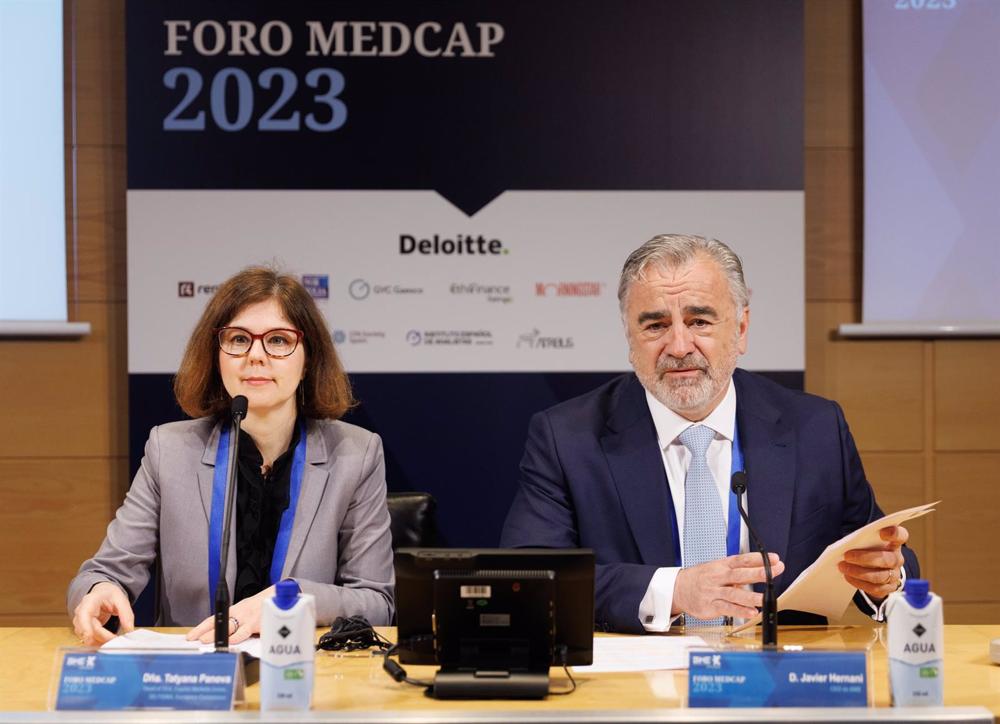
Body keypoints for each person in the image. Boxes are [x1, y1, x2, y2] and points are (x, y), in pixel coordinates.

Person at [500, 234, 919, 633]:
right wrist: (675, 592)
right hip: (636, 687)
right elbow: (529, 578)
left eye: (699, 321)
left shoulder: (814, 428)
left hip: (777, 682)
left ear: (740, 330)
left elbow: (881, 552)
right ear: (629, 337)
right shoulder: (567, 437)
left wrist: (885, 577)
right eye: (655, 326)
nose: (679, 346)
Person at [68, 267, 394, 645]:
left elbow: (378, 601)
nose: (256, 355)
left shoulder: (355, 455)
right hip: (194, 680)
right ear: (216, 354)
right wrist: (99, 592)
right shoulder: (169, 450)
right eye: (238, 339)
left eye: (278, 340)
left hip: (301, 675)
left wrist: (288, 601)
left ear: (308, 359)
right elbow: (104, 571)